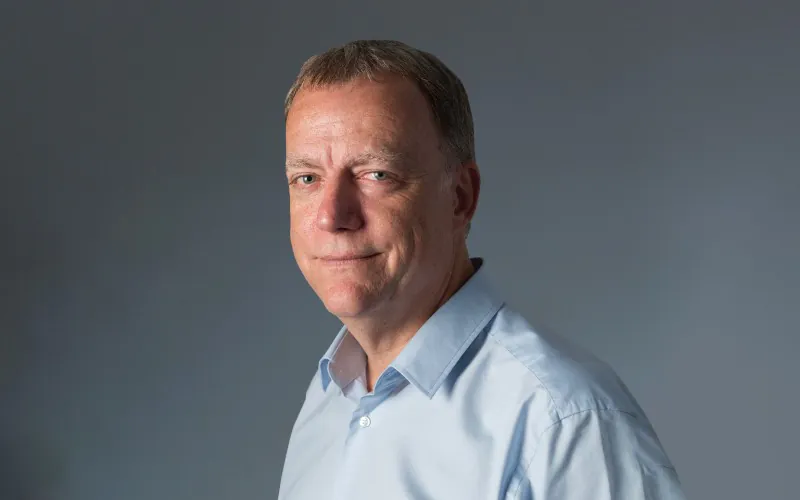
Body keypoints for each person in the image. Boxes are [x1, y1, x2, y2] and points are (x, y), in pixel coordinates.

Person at [277, 40, 686, 500]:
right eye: (307, 179)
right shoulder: (328, 400)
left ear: (460, 197)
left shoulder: (563, 419)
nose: (332, 216)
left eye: (377, 174)